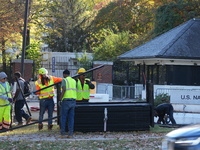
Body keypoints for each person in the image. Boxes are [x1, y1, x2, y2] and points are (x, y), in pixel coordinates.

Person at [60, 69, 77, 138]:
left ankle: (63, 133)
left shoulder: (65, 80)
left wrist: (60, 99)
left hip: (66, 101)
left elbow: (64, 89)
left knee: (63, 117)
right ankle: (70, 134)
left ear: (64, 74)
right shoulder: (73, 81)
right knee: (71, 118)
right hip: (73, 101)